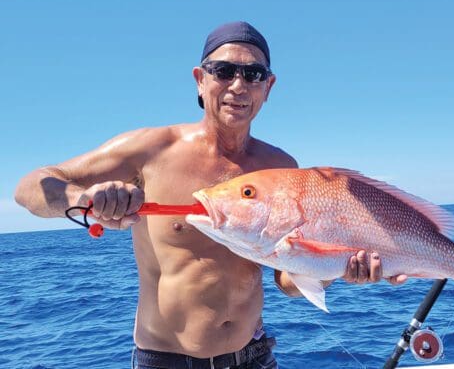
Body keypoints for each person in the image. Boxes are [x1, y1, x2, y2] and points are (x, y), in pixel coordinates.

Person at [14, 21, 406, 369]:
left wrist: (336, 269)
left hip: (254, 355)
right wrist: (81, 197)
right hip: (165, 361)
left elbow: (286, 279)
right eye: (224, 71)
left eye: (253, 74)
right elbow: (31, 186)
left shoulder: (280, 165)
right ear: (200, 79)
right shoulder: (152, 150)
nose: (238, 85)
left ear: (268, 87)